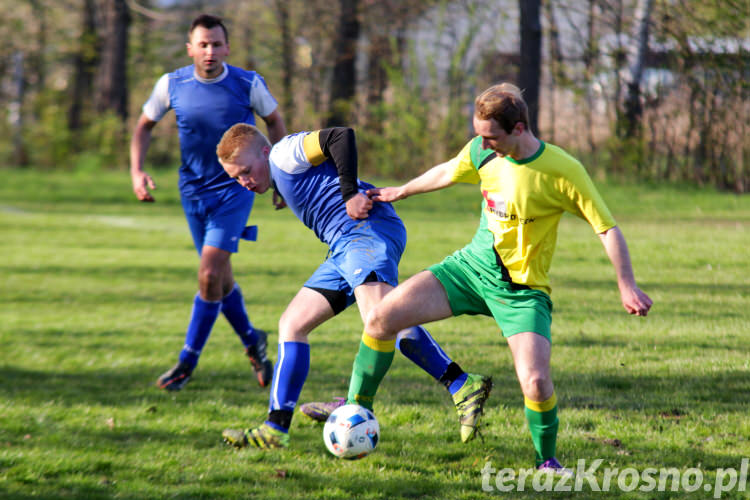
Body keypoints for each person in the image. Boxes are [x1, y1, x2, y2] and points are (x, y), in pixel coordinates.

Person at [341, 83, 653, 471]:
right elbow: (449, 171)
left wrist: (627, 285)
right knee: (380, 318)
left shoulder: (563, 170)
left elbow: (606, 227)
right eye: (479, 136)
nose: (483, 146)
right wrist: (402, 191)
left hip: (522, 293)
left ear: (519, 129)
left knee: (536, 383)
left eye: (491, 138)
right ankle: (356, 410)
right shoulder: (482, 151)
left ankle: (547, 462)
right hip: (469, 271)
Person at [216, 124, 492, 449]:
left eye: (246, 171)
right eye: (236, 178)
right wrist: (279, 186)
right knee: (292, 324)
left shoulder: (283, 153)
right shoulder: (280, 170)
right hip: (343, 248)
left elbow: (339, 136)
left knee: (382, 319)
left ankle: (458, 384)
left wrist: (349, 194)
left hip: (364, 233)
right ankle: (276, 428)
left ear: (264, 151)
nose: (244, 181)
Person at [129, 14, 287, 391]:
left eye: (216, 44)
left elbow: (276, 122)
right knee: (219, 277)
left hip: (236, 191)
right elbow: (143, 127)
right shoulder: (172, 84)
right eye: (203, 44)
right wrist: (137, 171)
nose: (210, 51)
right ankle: (253, 341)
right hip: (193, 193)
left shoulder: (247, 83)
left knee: (209, 274)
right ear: (190, 49)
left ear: (228, 47)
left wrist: (279, 175)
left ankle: (187, 361)